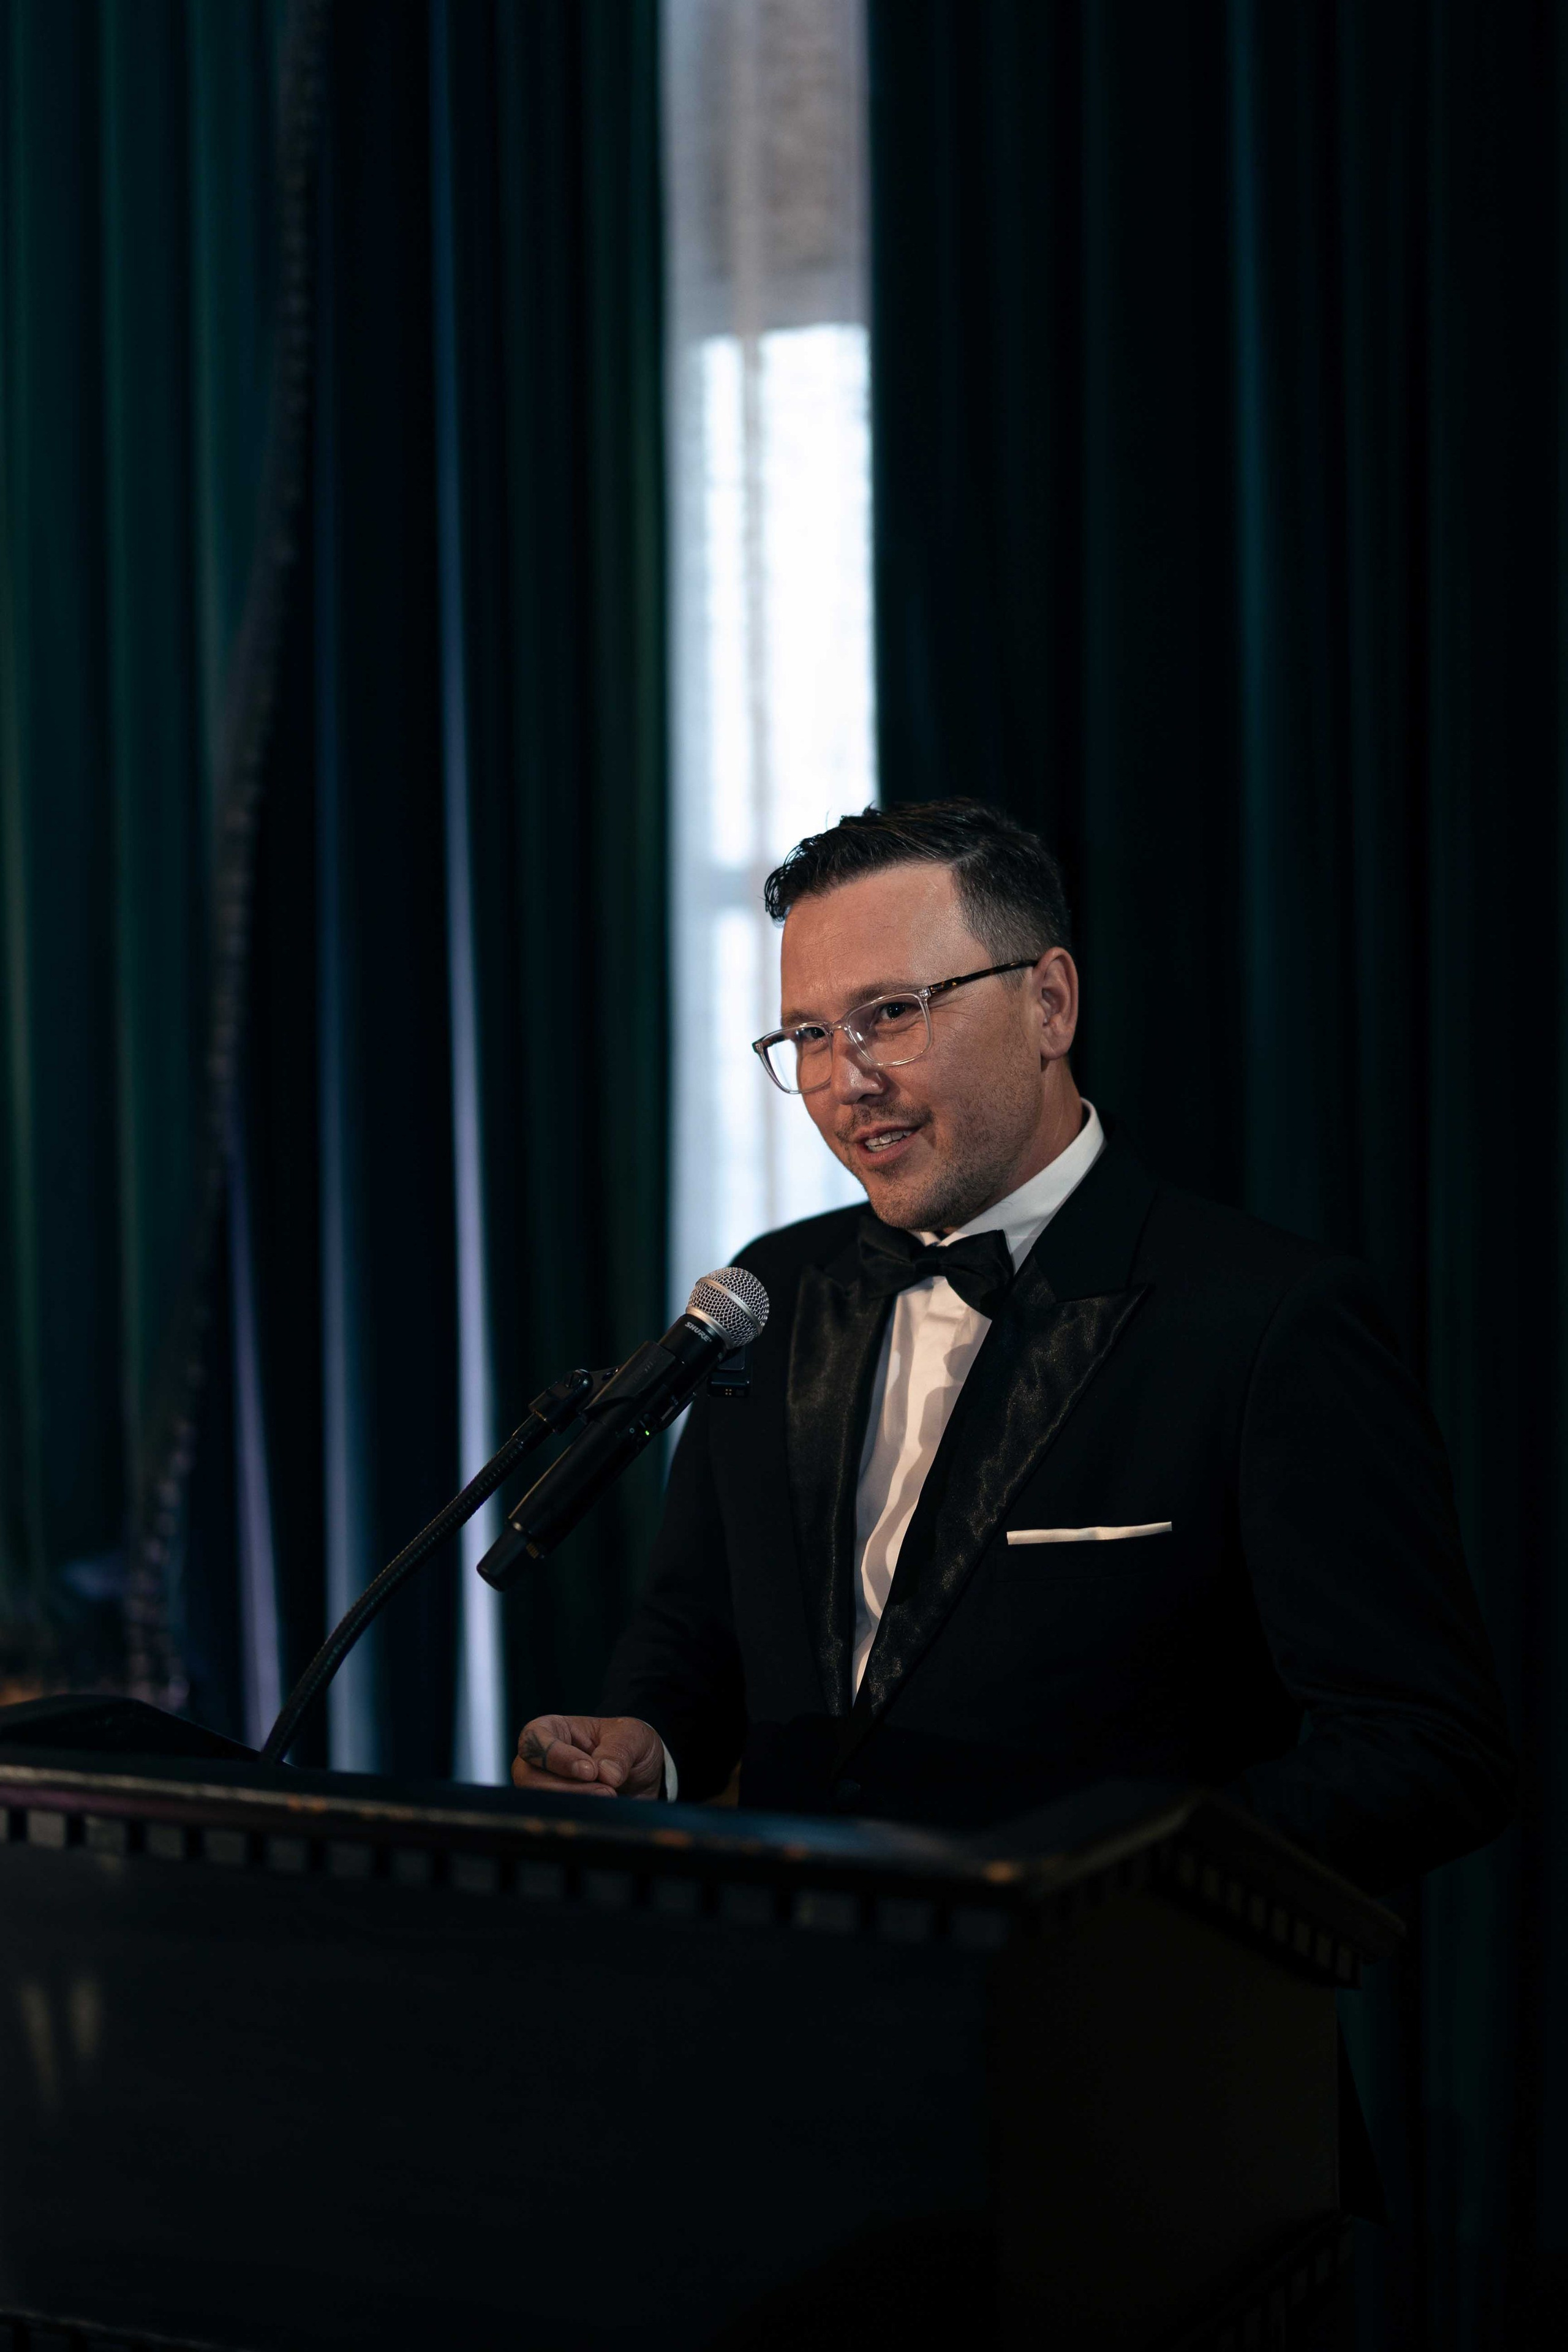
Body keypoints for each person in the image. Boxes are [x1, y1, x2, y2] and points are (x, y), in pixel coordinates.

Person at [511, 801, 1514, 1901]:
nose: (847, 1080)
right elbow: (697, 1625)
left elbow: (1425, 1751)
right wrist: (647, 1747)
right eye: (807, 1035)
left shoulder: (1269, 1317)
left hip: (1128, 2043)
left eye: (891, 1013)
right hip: (804, 2022)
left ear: (1049, 1003)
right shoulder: (773, 1291)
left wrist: (1117, 1889)